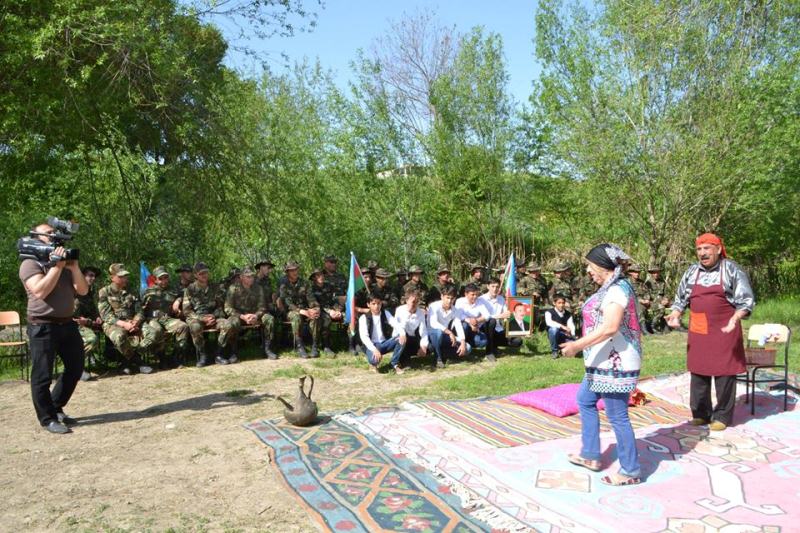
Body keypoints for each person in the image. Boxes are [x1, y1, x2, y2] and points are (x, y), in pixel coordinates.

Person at [560, 243, 643, 486]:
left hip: (615, 362)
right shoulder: (612, 287)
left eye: (590, 266)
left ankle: (630, 470)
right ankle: (591, 454)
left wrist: (577, 346)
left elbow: (610, 327)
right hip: (603, 360)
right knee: (585, 400)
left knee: (617, 416)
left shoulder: (616, 290)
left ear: (603, 266)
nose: (588, 271)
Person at [666, 233, 754, 431]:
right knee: (699, 370)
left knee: (724, 372)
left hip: (725, 328)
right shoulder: (691, 271)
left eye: (707, 248)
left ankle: (722, 416)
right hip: (699, 329)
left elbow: (746, 301)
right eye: (699, 249)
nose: (702, 253)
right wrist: (676, 313)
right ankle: (701, 414)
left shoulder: (731, 269)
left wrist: (735, 319)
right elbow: (681, 298)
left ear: (718, 249)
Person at [19, 221, 90, 434]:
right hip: (42, 325)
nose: (54, 236)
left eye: (54, 232)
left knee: (76, 367)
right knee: (42, 375)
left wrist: (74, 267)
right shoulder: (30, 263)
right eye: (48, 233)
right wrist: (57, 267)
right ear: (36, 238)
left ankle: (56, 406)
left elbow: (83, 290)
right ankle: (47, 418)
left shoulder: (65, 262)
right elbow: (40, 291)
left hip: (67, 323)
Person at [98, 263, 160, 375]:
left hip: (132, 322)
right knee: (119, 336)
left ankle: (127, 361)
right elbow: (105, 315)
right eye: (121, 276)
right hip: (113, 323)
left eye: (125, 276)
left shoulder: (131, 291)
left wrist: (135, 322)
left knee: (153, 333)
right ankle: (138, 361)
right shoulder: (104, 292)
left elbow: (139, 311)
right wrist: (124, 324)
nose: (125, 279)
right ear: (112, 277)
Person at [183, 262, 232, 367]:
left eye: (206, 272)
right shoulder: (190, 289)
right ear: (195, 275)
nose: (204, 275)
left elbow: (220, 307)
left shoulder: (215, 287)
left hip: (213, 317)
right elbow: (187, 311)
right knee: (195, 327)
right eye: (201, 273)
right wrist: (202, 318)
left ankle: (218, 354)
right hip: (197, 318)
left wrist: (214, 316)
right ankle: (202, 355)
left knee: (227, 325)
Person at [141, 266, 190, 368]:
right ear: (155, 279)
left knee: (183, 326)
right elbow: (141, 308)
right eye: (160, 278)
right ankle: (161, 358)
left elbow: (185, 293)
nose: (164, 281)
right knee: (157, 330)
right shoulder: (148, 291)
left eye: (166, 277)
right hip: (152, 319)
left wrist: (178, 300)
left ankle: (176, 358)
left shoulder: (174, 289)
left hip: (167, 318)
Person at [279, 261, 321, 358]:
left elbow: (311, 298)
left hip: (305, 310)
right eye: (291, 270)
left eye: (296, 269)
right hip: (290, 311)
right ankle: (300, 346)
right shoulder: (283, 284)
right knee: (296, 316)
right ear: (287, 272)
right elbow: (286, 302)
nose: (295, 272)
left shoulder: (304, 283)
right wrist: (301, 311)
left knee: (315, 315)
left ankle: (315, 346)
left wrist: (315, 308)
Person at [427, 285, 470, 368]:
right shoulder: (433, 306)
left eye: (452, 298)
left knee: (468, 348)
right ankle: (438, 359)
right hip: (432, 335)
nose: (450, 301)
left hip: (445, 335)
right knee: (438, 332)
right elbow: (433, 323)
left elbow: (458, 325)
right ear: (442, 296)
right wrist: (449, 332)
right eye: (447, 298)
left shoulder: (455, 310)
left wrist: (463, 342)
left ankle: (441, 353)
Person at [358, 293, 401, 373]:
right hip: (372, 345)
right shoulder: (364, 318)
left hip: (385, 343)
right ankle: (373, 363)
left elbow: (395, 324)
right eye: (373, 304)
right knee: (374, 360)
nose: (376, 306)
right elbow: (364, 337)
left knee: (401, 338)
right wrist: (374, 350)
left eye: (378, 303)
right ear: (368, 304)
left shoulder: (385, 313)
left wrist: (403, 333)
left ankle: (394, 363)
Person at [73, 266, 102, 381]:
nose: (93, 278)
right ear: (82, 277)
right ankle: (77, 368)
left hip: (87, 324)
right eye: (90, 275)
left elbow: (92, 309)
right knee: (91, 339)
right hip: (73, 325)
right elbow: (75, 318)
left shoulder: (89, 292)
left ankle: (122, 361)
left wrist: (97, 317)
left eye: (94, 276)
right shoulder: (74, 291)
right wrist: (89, 321)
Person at [391, 288, 429, 373]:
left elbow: (423, 331)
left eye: (417, 301)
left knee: (429, 347)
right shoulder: (400, 310)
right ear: (407, 300)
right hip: (400, 337)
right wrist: (409, 313)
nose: (415, 304)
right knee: (403, 338)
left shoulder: (420, 313)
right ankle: (401, 361)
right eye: (413, 301)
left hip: (412, 337)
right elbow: (399, 328)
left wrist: (423, 346)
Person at [309, 267, 343, 356]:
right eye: (318, 275)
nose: (321, 277)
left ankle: (350, 344)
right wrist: (329, 311)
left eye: (322, 274)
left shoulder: (329, 286)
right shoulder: (311, 289)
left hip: (329, 310)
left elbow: (334, 300)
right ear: (314, 278)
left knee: (346, 316)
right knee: (323, 318)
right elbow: (315, 304)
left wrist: (338, 310)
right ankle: (318, 346)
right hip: (317, 310)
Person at [477, 278, 512, 361]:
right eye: (492, 286)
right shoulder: (481, 299)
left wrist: (508, 314)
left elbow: (505, 313)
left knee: (517, 341)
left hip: (498, 328)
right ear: (488, 286)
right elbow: (486, 317)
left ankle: (494, 346)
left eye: (497, 287)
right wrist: (500, 316)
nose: (495, 289)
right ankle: (489, 352)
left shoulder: (501, 299)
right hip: (484, 328)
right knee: (491, 321)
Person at [455, 283, 491, 358]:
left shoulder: (479, 302)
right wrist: (470, 322)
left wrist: (476, 320)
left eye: (476, 294)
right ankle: (460, 346)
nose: (475, 297)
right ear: (466, 294)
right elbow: (458, 316)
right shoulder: (459, 301)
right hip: (462, 328)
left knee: (483, 341)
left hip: (474, 329)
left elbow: (487, 315)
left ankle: (467, 346)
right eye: (472, 295)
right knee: (464, 325)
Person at [544, 294, 576, 359]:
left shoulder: (568, 314)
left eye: (563, 303)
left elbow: (571, 325)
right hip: (554, 335)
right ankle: (555, 351)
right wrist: (562, 326)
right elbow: (549, 322)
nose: (561, 305)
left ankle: (562, 349)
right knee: (553, 329)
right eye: (559, 303)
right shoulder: (549, 312)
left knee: (574, 351)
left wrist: (572, 334)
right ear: (554, 303)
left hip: (565, 336)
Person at [645, 265, 669, 333]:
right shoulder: (648, 283)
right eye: (654, 273)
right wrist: (658, 301)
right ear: (651, 273)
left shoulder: (662, 282)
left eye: (657, 272)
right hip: (653, 302)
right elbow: (647, 295)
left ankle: (665, 325)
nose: (656, 274)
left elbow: (666, 293)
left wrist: (666, 299)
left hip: (662, 301)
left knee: (676, 306)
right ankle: (653, 326)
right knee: (661, 308)